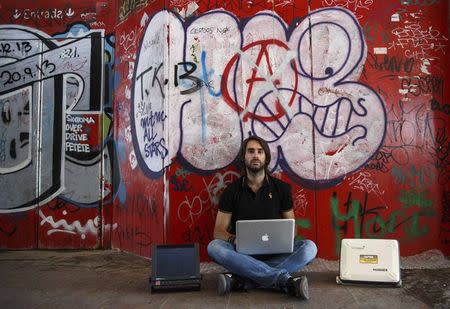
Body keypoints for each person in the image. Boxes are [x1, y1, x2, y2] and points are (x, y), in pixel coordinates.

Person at [207, 136, 318, 299]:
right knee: (214, 247)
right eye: (250, 151)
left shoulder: (281, 188)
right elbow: (218, 231)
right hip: (242, 255)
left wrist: (283, 238)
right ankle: (282, 280)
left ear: (266, 157)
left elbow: (293, 227)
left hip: (275, 253)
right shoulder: (232, 191)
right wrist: (234, 239)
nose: (255, 156)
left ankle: (244, 280)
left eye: (260, 152)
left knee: (309, 248)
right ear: (244, 157)